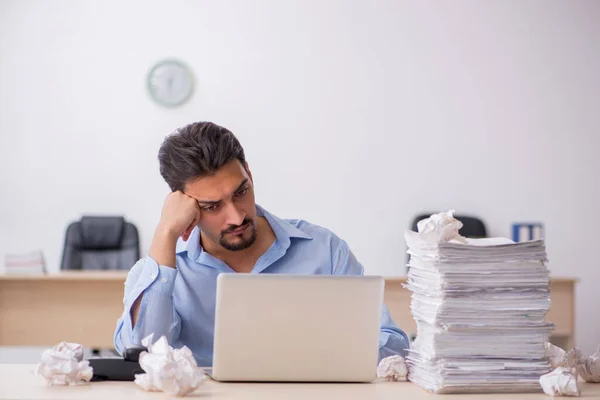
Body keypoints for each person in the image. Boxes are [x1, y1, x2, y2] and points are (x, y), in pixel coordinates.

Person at [113, 121, 410, 366]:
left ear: (249, 175)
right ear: (183, 205)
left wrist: (321, 360)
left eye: (241, 191)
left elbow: (391, 343)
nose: (237, 216)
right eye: (213, 206)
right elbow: (140, 354)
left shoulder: (324, 250)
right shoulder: (161, 269)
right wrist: (166, 232)